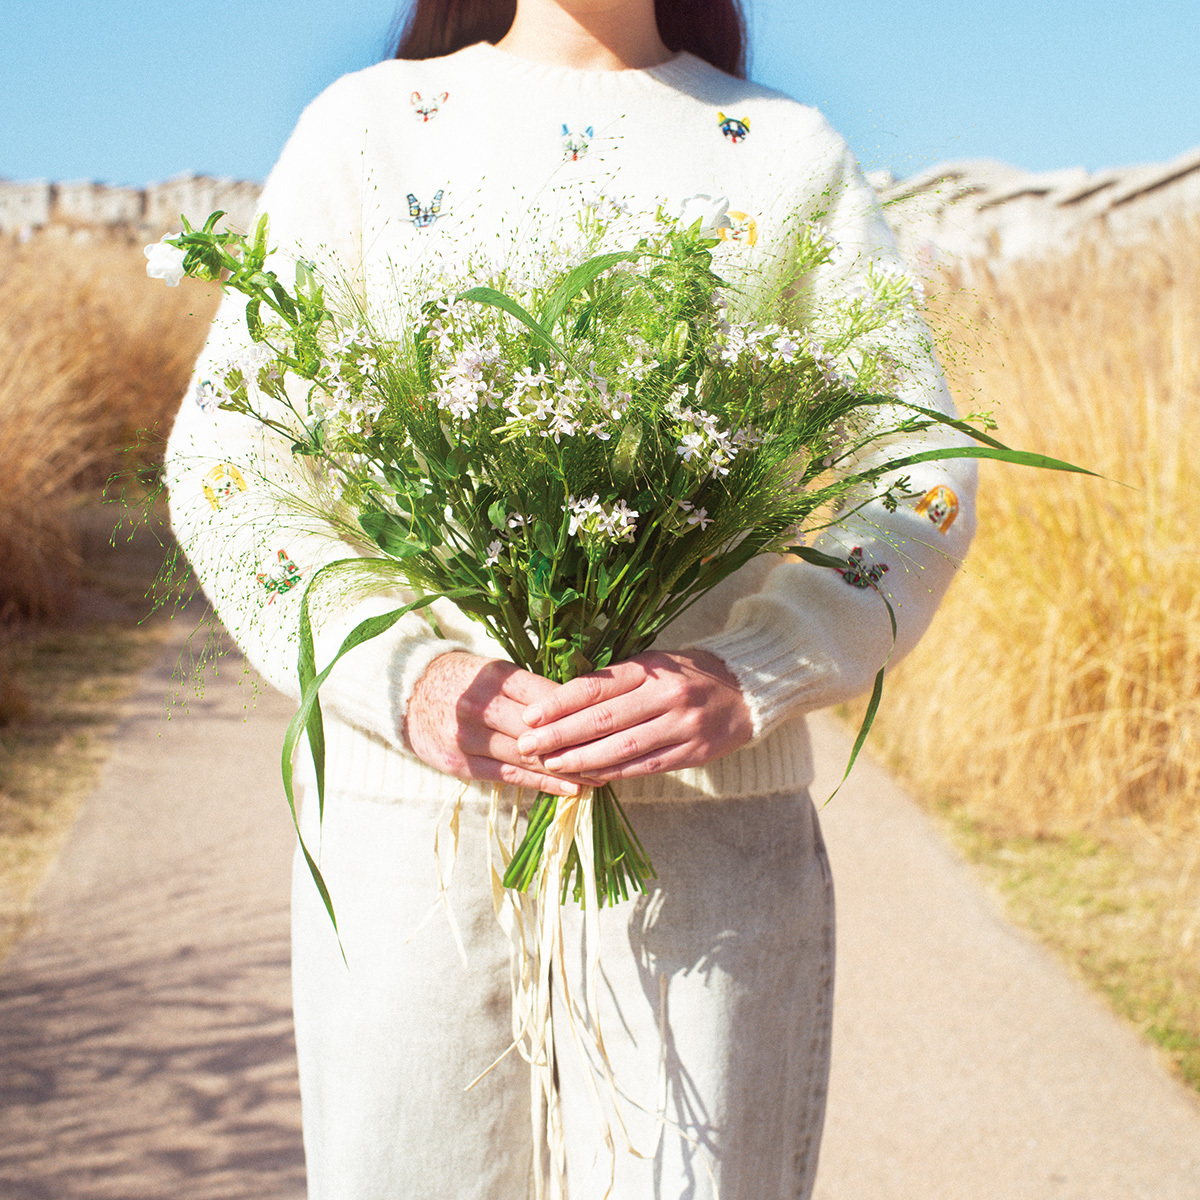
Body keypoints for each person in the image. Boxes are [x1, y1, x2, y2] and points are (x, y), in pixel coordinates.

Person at [165, 1, 976, 1196]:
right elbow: (229, 462)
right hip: (412, 847)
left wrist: (758, 664)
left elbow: (918, 463)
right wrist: (409, 681)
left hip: (711, 842)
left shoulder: (786, 148)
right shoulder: (366, 130)